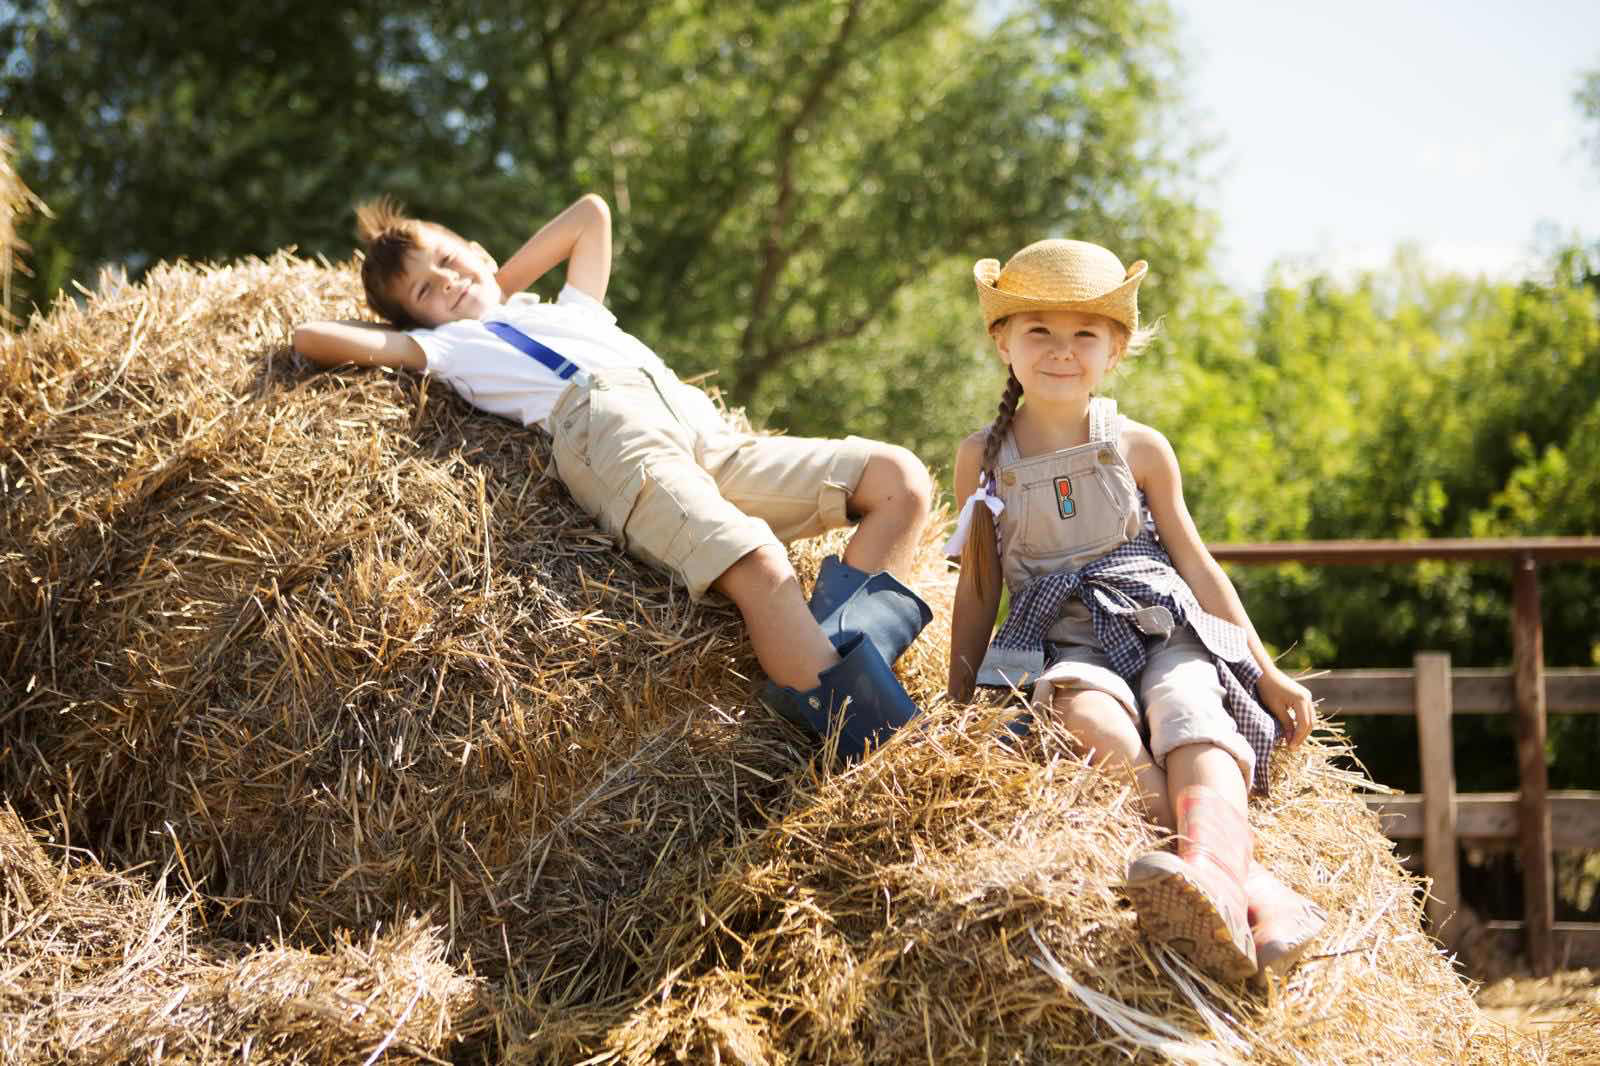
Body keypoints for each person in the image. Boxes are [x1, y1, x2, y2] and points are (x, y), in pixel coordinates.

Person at [293, 193, 935, 759]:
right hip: (607, 430)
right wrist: (448, 318)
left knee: (897, 480)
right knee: (761, 566)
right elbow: (311, 335)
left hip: (703, 431)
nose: (445, 281)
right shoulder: (452, 345)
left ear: (478, 252)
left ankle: (826, 675)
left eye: (447, 260)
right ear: (417, 321)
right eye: (425, 291)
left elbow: (590, 214)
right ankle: (883, 744)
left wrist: (495, 281)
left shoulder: (572, 308)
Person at [943, 238, 1326, 981]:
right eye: (1040, 333)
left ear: (1116, 349)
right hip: (1061, 639)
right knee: (1085, 718)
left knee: (1190, 713)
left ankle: (1214, 875)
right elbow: (980, 588)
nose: (1062, 351)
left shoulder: (1140, 446)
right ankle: (1248, 886)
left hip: (1160, 624)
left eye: (1085, 333)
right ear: (1003, 343)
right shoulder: (981, 458)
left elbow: (1196, 566)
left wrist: (1266, 673)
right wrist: (957, 706)